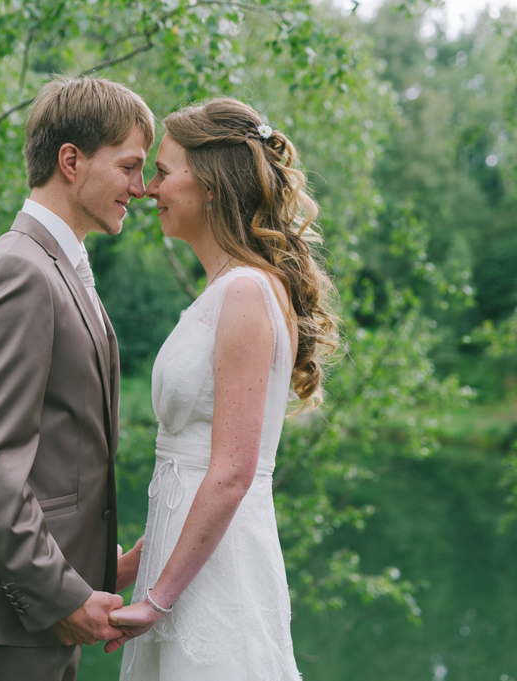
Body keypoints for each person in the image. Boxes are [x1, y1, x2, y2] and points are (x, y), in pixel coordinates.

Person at [0, 76, 155, 681]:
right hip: (5, 616)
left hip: (34, 606)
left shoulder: (62, 265)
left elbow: (60, 447)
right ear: (70, 161)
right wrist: (60, 595)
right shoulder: (22, 271)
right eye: (128, 166)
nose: (141, 186)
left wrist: (106, 567)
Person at [105, 97, 340, 680]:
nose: (148, 189)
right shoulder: (225, 293)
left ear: (209, 184)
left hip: (214, 580)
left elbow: (231, 471)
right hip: (184, 565)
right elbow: (189, 469)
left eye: (162, 171)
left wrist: (158, 600)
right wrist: (132, 567)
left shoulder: (245, 293)